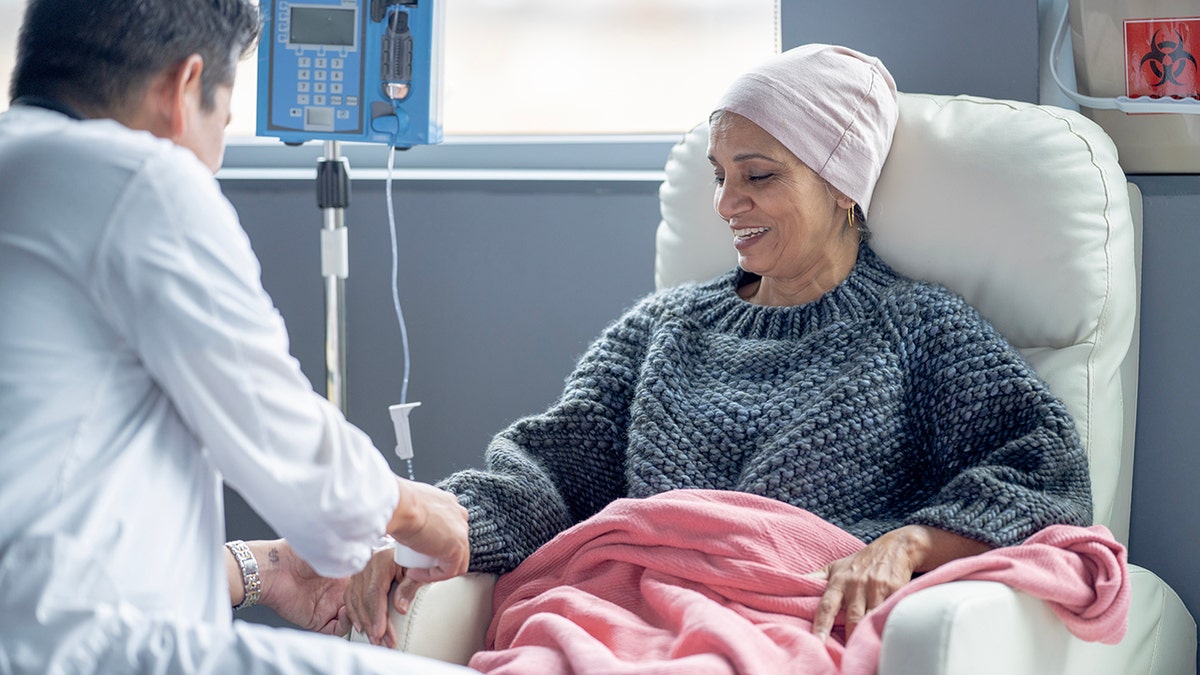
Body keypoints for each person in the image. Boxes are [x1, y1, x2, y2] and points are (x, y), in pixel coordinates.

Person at [346, 44, 1093, 649]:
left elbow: (1046, 467)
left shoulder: (920, 331)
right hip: (615, 614)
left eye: (758, 176)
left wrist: (911, 542)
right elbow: (551, 468)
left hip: (782, 625)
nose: (727, 203)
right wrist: (437, 524)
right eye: (720, 175)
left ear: (841, 185)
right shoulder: (664, 329)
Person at [0, 1, 474, 672]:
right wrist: (417, 510)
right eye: (222, 119)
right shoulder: (143, 184)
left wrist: (265, 565)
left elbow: (62, 484)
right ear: (184, 87)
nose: (216, 158)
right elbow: (298, 457)